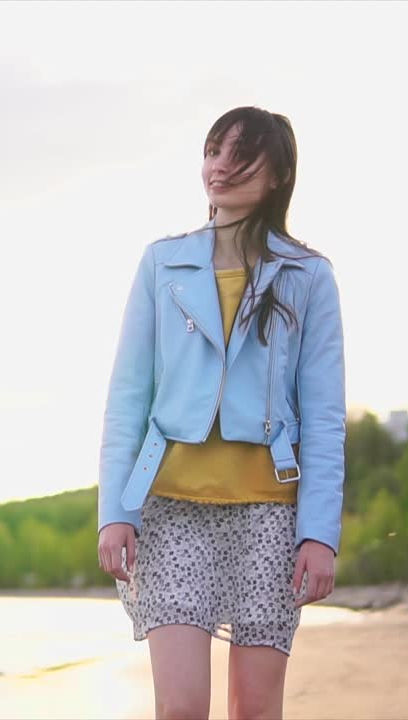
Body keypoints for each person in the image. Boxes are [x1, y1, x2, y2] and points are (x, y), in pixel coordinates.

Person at [96, 106, 346, 720]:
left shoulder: (309, 275)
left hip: (270, 515)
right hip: (171, 511)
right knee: (180, 708)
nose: (221, 167)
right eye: (214, 151)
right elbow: (128, 395)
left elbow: (323, 416)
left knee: (254, 710)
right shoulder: (162, 263)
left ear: (279, 174)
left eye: (241, 156)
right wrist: (115, 512)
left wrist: (319, 534)